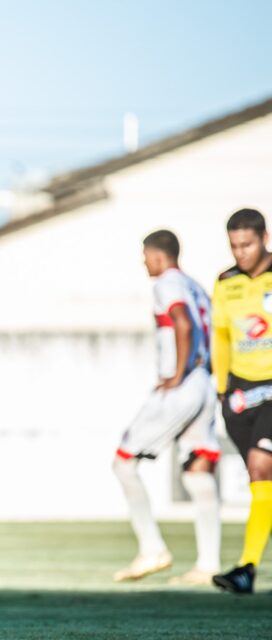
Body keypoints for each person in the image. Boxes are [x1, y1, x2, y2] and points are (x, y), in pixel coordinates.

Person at [108, 230, 221, 585]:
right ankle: (208, 564)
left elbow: (181, 322)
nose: (143, 262)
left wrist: (176, 374)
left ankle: (152, 548)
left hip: (182, 385)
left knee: (123, 462)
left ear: (158, 255)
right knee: (197, 470)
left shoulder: (167, 283)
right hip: (203, 380)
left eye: (145, 255)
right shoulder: (196, 286)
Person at [211, 208, 272, 594]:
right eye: (234, 246)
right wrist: (221, 388)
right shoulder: (226, 282)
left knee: (260, 465)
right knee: (262, 481)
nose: (240, 253)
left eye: (247, 245)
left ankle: (247, 567)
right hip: (240, 394)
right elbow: (221, 336)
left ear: (264, 238)